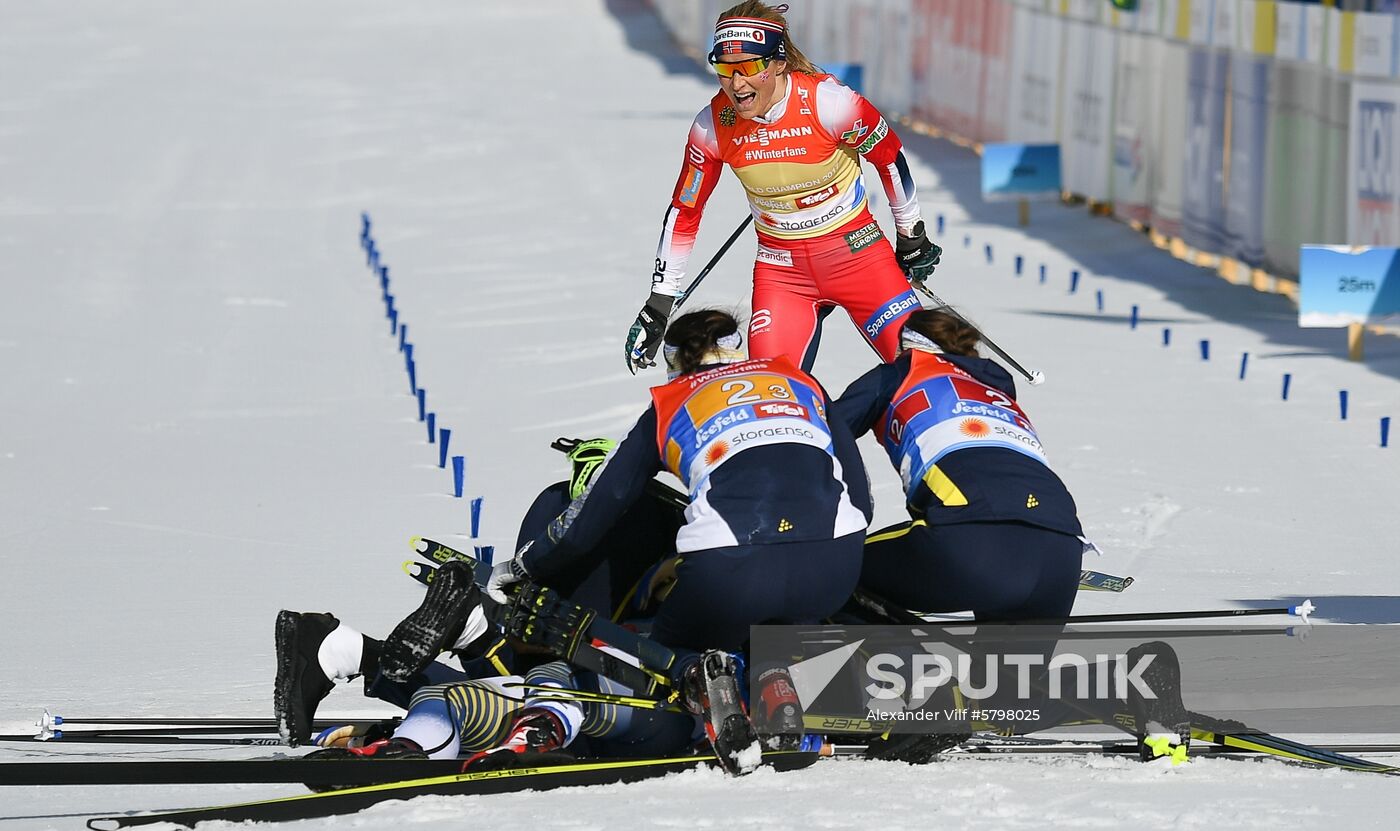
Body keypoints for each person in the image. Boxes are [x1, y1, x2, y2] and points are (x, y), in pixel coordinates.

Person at [494, 308, 870, 659]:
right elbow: (861, 502)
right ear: (736, 347)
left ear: (674, 362)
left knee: (661, 665)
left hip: (729, 571)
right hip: (834, 566)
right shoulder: (799, 380)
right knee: (770, 640)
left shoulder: (668, 404)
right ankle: (788, 682)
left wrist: (524, 566)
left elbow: (590, 516)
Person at [624, 1, 942, 375]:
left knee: (926, 371)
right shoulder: (712, 125)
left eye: (749, 67)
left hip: (860, 258)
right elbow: (685, 210)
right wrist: (660, 299)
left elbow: (889, 158)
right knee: (771, 389)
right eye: (725, 68)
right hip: (783, 273)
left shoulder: (829, 103)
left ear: (777, 63)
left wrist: (911, 234)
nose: (736, 83)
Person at [831, 308, 1087, 621]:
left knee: (828, 574)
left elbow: (820, 436)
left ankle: (915, 664)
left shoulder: (899, 372)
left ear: (908, 347)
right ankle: (1135, 668)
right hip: (1062, 549)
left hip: (975, 539)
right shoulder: (996, 387)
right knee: (1006, 672)